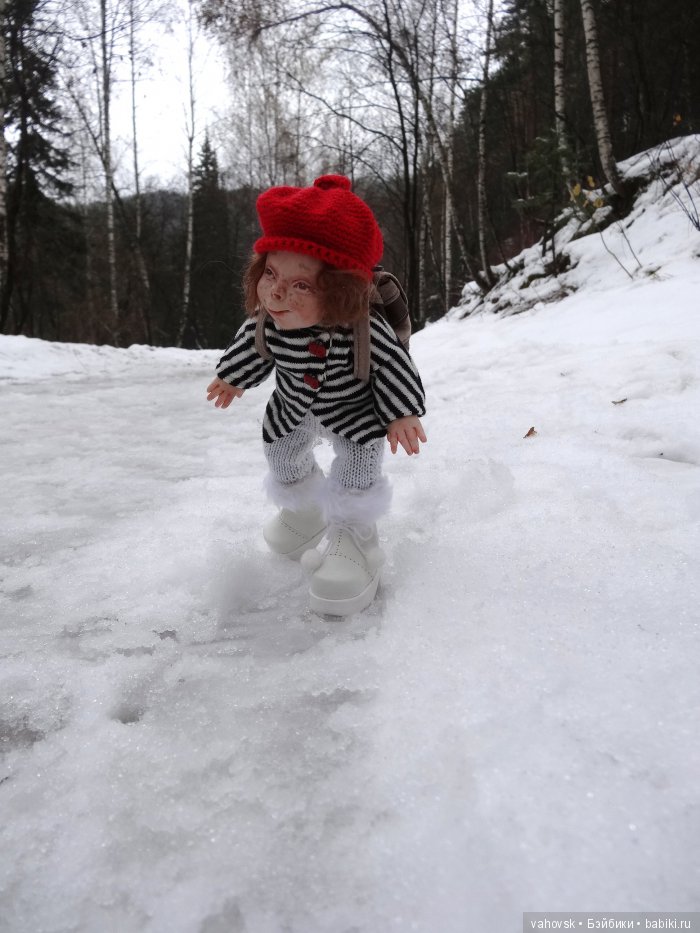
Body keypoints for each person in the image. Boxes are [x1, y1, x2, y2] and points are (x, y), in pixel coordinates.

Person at [206, 174, 426, 616]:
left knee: (356, 469)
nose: (277, 291)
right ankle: (304, 508)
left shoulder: (362, 328)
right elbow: (252, 345)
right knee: (281, 453)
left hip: (353, 413)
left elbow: (392, 363)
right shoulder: (270, 320)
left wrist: (402, 413)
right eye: (270, 273)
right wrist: (233, 377)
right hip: (291, 410)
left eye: (301, 285)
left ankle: (355, 536)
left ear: (341, 291)